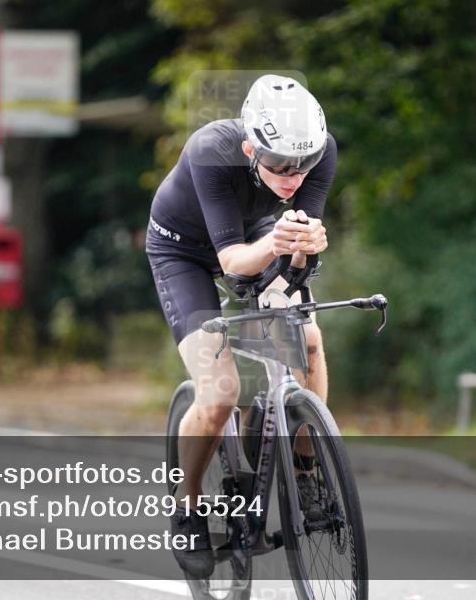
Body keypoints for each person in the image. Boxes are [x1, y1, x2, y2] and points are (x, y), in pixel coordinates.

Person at [146, 75, 337, 576]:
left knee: (309, 341)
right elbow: (232, 262)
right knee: (220, 391)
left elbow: (295, 250)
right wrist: (283, 243)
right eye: (277, 164)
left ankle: (306, 469)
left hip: (255, 234)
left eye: (305, 162)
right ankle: (187, 508)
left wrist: (306, 246)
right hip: (184, 250)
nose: (293, 176)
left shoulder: (318, 152)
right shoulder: (211, 150)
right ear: (251, 148)